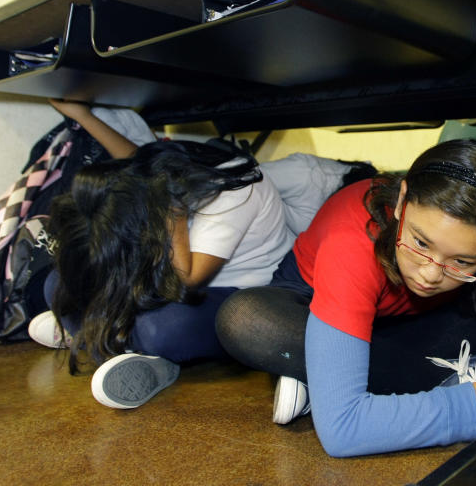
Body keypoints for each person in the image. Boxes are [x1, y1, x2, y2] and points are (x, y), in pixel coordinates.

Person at [215, 138, 476, 457]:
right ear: (402, 201)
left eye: (462, 261)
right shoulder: (353, 244)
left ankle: (328, 377)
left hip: (415, 319)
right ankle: (342, 375)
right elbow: (343, 429)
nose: (431, 274)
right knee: (247, 321)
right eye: (421, 243)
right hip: (314, 296)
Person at [32, 99, 295, 409]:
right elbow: (131, 157)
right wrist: (82, 115)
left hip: (238, 292)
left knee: (163, 330)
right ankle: (111, 336)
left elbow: (187, 280)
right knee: (54, 284)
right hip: (170, 278)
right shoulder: (156, 175)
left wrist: (172, 213)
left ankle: (108, 337)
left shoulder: (234, 190)